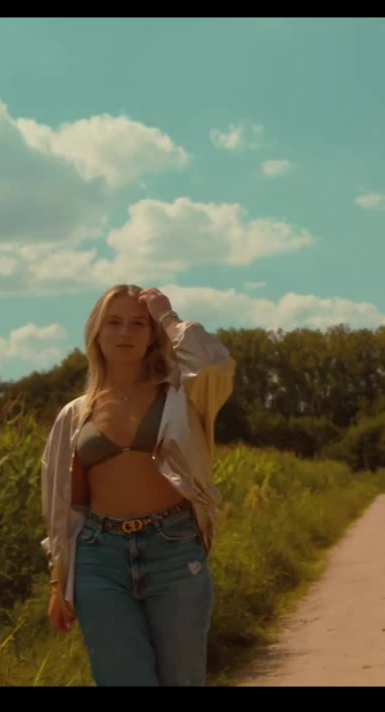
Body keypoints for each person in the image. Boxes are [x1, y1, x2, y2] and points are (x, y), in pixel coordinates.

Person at [39, 284, 236, 686]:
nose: (125, 332)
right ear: (96, 333)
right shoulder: (74, 415)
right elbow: (66, 505)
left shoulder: (181, 396)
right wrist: (59, 581)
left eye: (138, 324)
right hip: (99, 558)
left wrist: (167, 316)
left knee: (182, 678)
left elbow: (212, 365)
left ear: (152, 336)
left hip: (173, 548)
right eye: (113, 322)